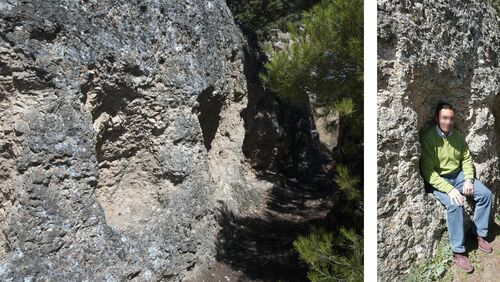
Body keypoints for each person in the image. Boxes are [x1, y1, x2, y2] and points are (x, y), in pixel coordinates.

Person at [419, 101, 493, 273]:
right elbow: (428, 172)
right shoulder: (428, 138)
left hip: (458, 176)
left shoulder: (458, 136)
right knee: (455, 204)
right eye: (444, 118)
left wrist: (468, 179)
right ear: (437, 118)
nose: (448, 122)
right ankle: (458, 251)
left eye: (451, 118)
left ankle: (478, 233)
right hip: (438, 180)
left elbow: (466, 159)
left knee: (486, 194)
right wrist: (450, 189)